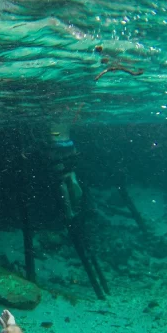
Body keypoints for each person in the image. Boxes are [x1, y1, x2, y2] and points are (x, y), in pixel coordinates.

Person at [45, 122, 111, 298]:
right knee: (69, 182)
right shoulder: (66, 146)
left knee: (66, 183)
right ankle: (74, 210)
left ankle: (72, 211)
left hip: (62, 154)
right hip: (66, 152)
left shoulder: (55, 143)